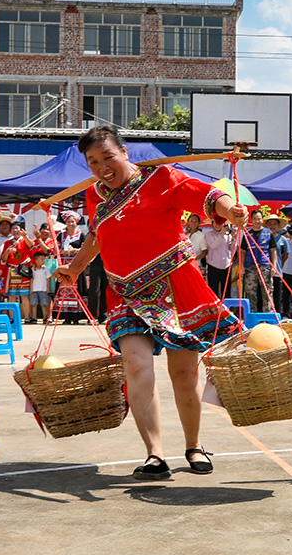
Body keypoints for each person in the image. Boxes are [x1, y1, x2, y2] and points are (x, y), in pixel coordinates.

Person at [54, 124, 247, 480]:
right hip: (125, 291)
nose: (101, 167)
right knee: (137, 365)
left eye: (107, 157)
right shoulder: (95, 195)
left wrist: (232, 209)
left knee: (183, 374)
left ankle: (193, 445)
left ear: (125, 153)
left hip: (175, 286)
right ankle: (155, 454)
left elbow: (206, 196)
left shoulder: (161, 178)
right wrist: (75, 268)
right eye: (93, 162)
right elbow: (98, 236)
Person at [240, 210, 277, 313]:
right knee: (250, 293)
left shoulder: (268, 233)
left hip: (265, 266)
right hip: (250, 267)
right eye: (255, 219)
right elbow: (243, 251)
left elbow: (273, 251)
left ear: (262, 219)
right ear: (251, 220)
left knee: (267, 293)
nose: (257, 221)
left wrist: (274, 266)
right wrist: (242, 266)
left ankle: (268, 316)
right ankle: (251, 316)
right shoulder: (247, 234)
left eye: (259, 219)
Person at [56, 211, 87, 324]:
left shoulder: (81, 235)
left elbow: (85, 250)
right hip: (64, 265)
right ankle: (66, 316)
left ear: (76, 223)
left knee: (76, 290)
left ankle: (76, 316)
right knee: (65, 289)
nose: (71, 224)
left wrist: (74, 250)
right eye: (68, 222)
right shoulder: (61, 235)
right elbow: (56, 249)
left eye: (72, 221)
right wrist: (62, 251)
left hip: (76, 265)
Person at [204, 220, 235, 300]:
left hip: (226, 265)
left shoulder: (227, 235)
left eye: (220, 223)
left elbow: (232, 249)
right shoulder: (208, 234)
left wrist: (233, 239)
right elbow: (213, 245)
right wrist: (221, 234)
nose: (217, 225)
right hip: (213, 265)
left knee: (226, 290)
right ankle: (215, 310)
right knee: (213, 290)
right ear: (212, 223)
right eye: (215, 223)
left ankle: (227, 309)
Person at [28, 251, 52, 323]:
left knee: (44, 304)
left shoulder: (45, 269)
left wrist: (48, 288)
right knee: (33, 304)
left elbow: (48, 279)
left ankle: (45, 317)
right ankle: (34, 317)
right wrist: (31, 288)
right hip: (34, 289)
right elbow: (31, 279)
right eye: (41, 260)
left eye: (44, 259)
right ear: (36, 261)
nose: (43, 261)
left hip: (43, 289)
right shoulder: (32, 269)